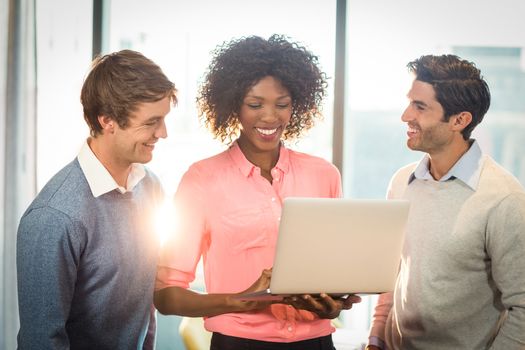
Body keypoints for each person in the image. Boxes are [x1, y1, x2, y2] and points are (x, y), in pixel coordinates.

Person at [154, 34, 361, 349]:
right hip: (240, 343)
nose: (269, 117)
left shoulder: (323, 175)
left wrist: (332, 305)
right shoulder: (201, 180)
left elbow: (332, 273)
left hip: (316, 341)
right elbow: (166, 296)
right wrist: (242, 301)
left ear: (297, 105)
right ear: (233, 104)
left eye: (282, 105)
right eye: (255, 104)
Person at [16, 49, 177, 349]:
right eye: (151, 122)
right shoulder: (55, 215)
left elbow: (143, 309)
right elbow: (41, 341)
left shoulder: (150, 187)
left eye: (164, 119)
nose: (163, 133)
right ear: (107, 121)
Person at [366, 54, 525, 350]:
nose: (405, 116)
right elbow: (395, 269)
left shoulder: (504, 199)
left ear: (459, 120)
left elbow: (523, 308)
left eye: (420, 107)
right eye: (409, 102)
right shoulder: (401, 182)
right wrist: (376, 338)